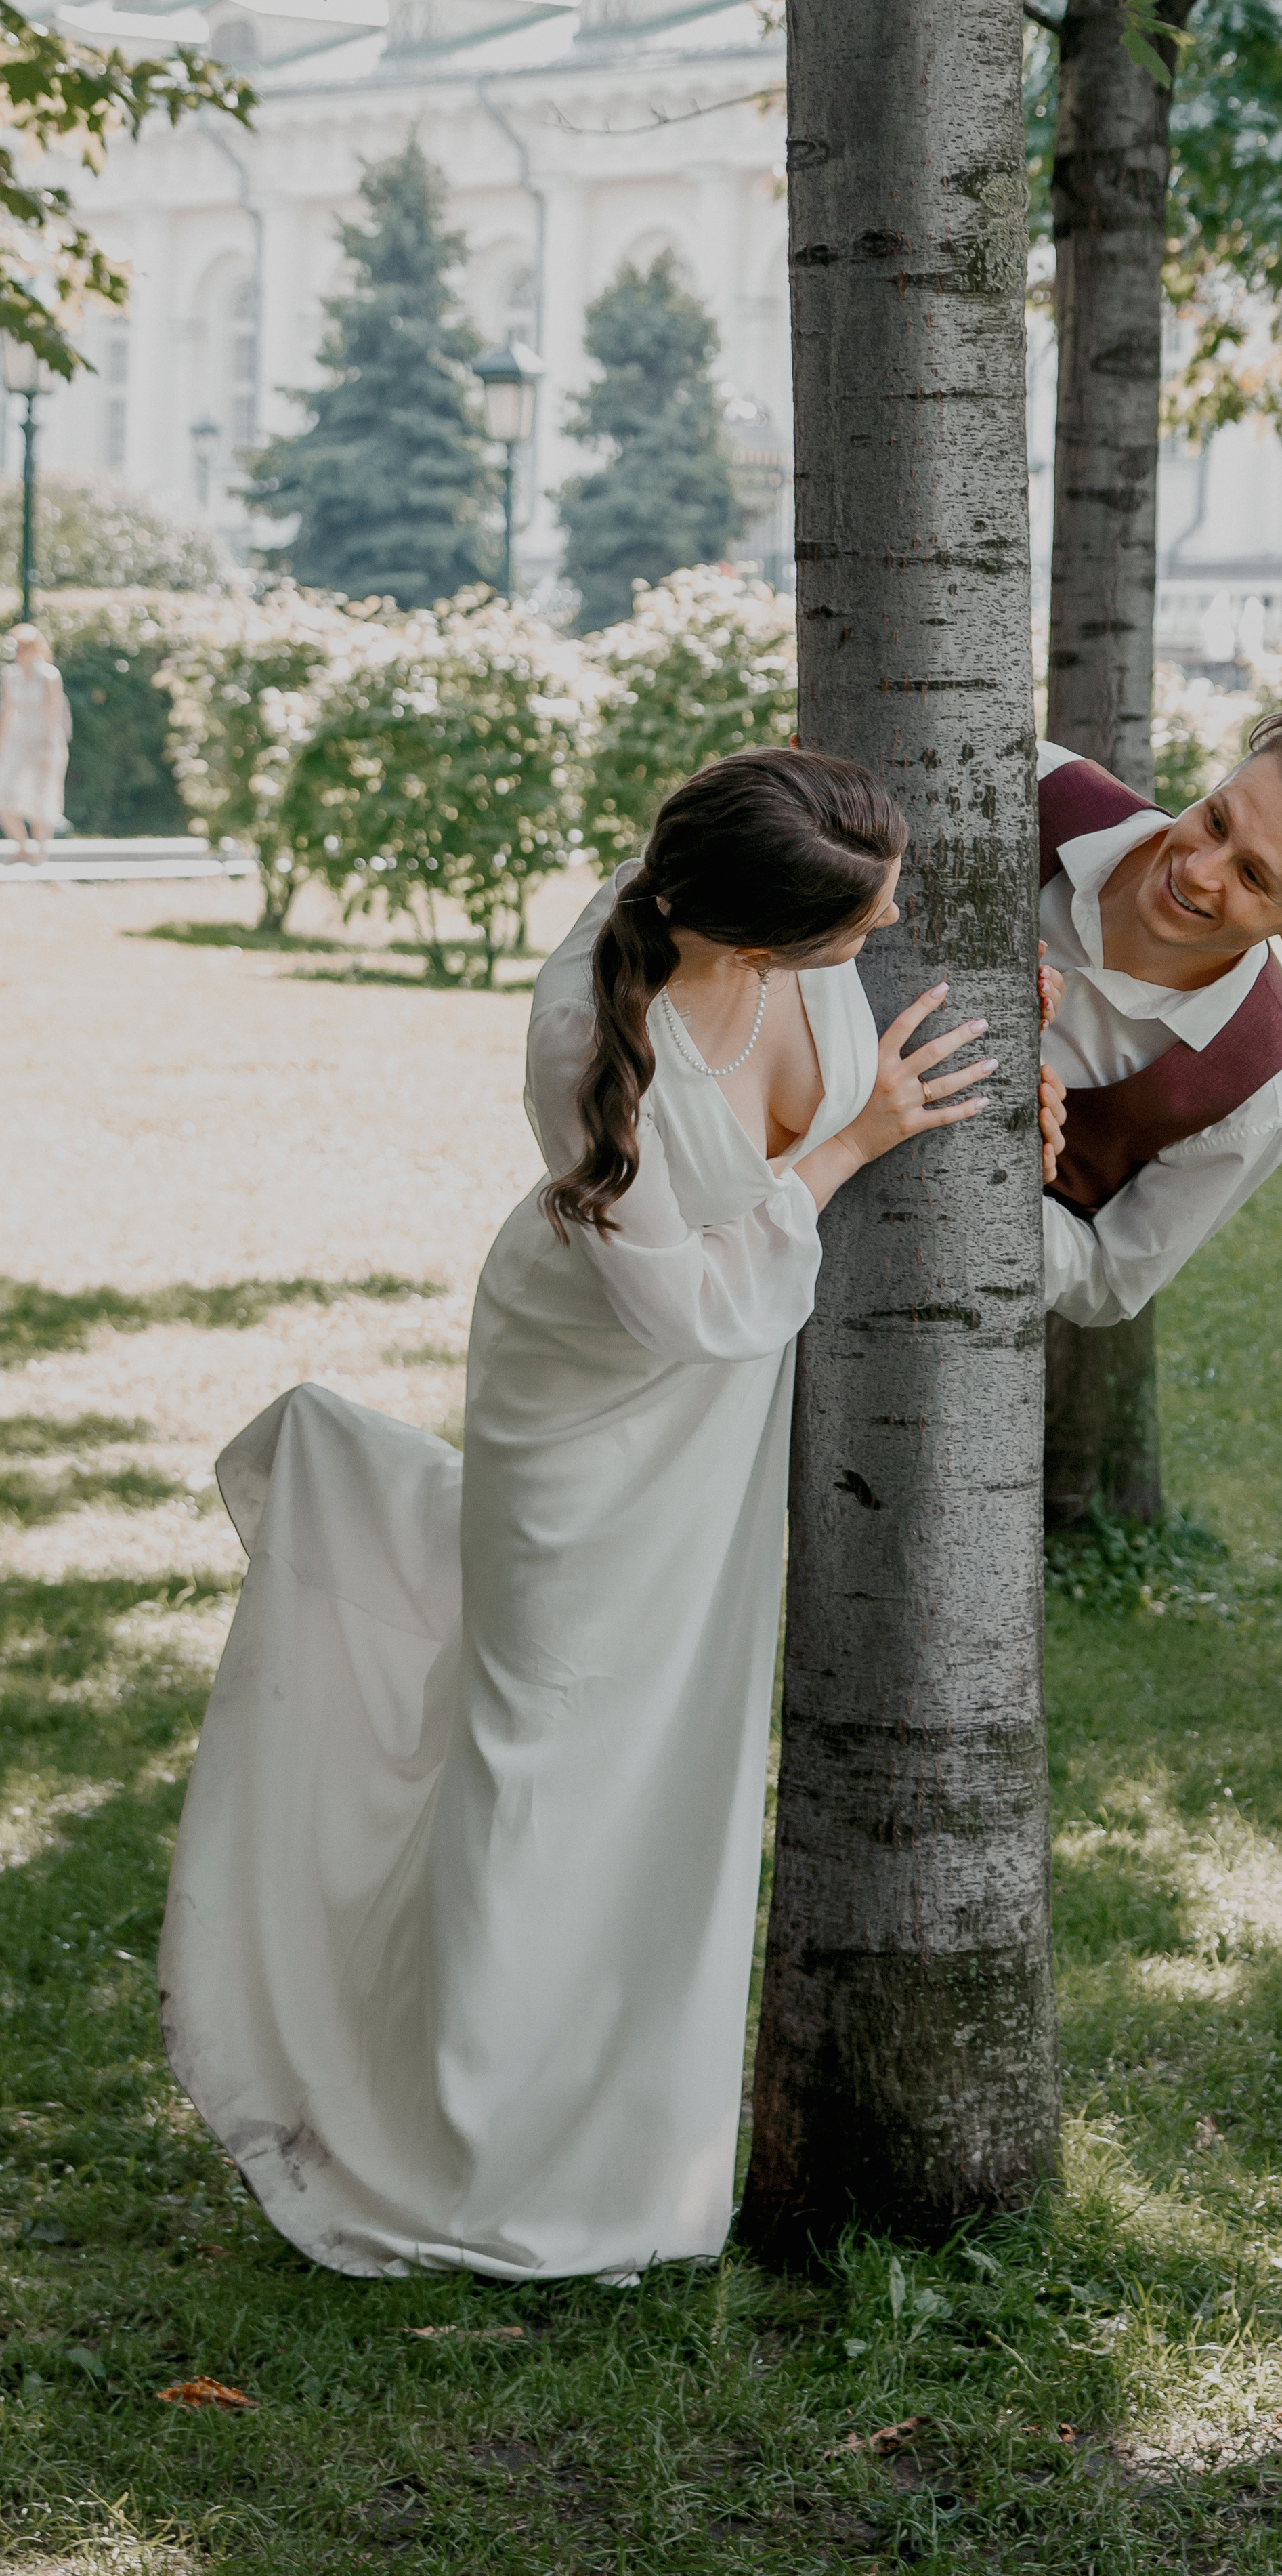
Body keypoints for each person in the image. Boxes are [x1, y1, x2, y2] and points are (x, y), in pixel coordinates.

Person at [159, 749, 1004, 2282]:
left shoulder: (762, 880)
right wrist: (851, 1140)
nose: (877, 943)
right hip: (588, 1391)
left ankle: (631, 2153)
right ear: (751, 942)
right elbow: (680, 1300)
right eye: (852, 934)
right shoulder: (583, 1033)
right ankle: (470, 2141)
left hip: (714, 1411)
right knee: (538, 1753)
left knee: (675, 1759)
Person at [1038, 704, 1282, 1326]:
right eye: (1217, 820)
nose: (1197, 870)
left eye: (1252, 875)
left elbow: (1108, 1279)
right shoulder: (1034, 783)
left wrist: (996, 1185)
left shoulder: (1267, 1090)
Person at [0, 622, 72, 866]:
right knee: (6, 797)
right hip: (17, 742)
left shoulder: (50, 676)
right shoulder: (11, 675)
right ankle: (22, 846)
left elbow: (54, 715)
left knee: (42, 797)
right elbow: (7, 713)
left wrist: (47, 747)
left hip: (43, 742)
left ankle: (40, 854)